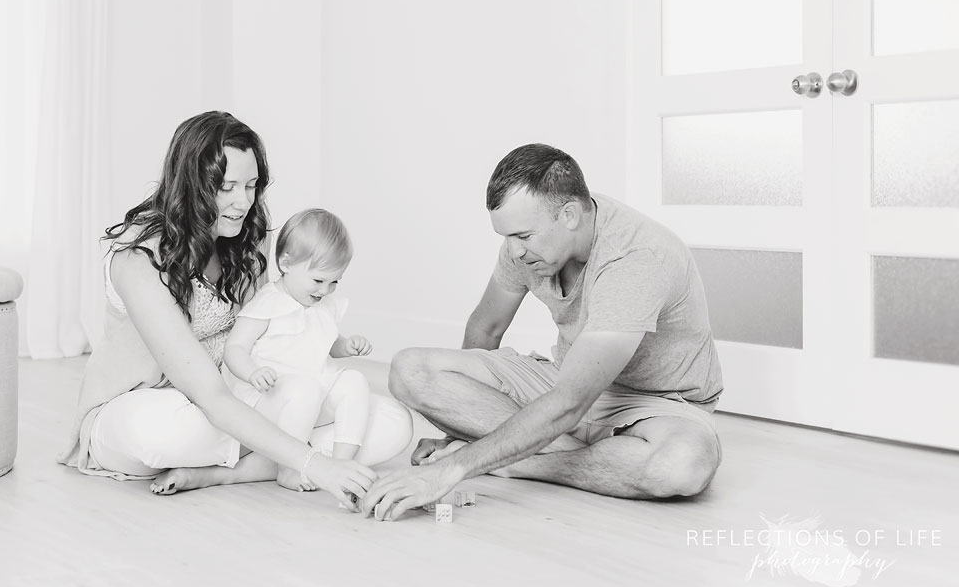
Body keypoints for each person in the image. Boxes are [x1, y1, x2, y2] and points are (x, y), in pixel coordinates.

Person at [58, 111, 413, 508]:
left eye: (251, 185)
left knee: (393, 424)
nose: (242, 202)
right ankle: (280, 453)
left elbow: (268, 340)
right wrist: (318, 464)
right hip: (155, 404)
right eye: (226, 187)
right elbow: (207, 395)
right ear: (192, 185)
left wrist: (304, 388)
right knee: (158, 434)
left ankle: (234, 468)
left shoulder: (246, 239)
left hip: (234, 397)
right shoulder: (138, 259)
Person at [360, 143, 724, 521]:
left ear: (569, 215)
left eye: (522, 236)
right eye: (506, 237)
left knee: (682, 465)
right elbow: (487, 327)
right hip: (564, 379)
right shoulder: (529, 244)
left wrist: (454, 467)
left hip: (654, 403)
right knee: (410, 369)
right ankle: (551, 454)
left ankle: (521, 463)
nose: (514, 251)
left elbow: (570, 403)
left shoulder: (637, 259)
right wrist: (457, 431)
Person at [219, 208, 373, 491]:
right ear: (287, 263)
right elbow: (235, 348)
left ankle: (340, 465)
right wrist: (252, 372)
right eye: (318, 280)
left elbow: (328, 343)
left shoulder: (321, 305)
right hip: (271, 399)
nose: (326, 290)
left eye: (334, 281)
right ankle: (291, 467)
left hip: (311, 393)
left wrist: (346, 345)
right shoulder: (268, 304)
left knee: (354, 380)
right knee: (305, 390)